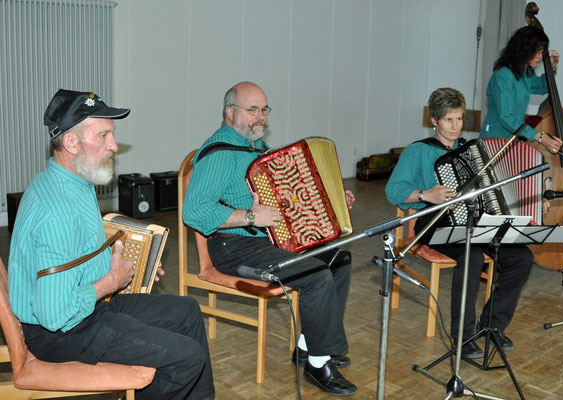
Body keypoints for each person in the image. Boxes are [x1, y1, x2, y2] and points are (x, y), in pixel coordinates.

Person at [8, 89, 215, 400]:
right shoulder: (57, 213)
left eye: (112, 134)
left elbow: (79, 253)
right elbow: (55, 315)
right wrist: (111, 281)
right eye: (103, 135)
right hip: (62, 333)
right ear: (71, 143)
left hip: (84, 309)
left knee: (187, 310)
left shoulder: (74, 182)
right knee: (186, 357)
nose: (114, 146)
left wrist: (134, 263)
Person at [183, 81, 357, 396]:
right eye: (252, 110)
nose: (261, 117)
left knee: (338, 260)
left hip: (266, 241)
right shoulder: (218, 155)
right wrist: (251, 217)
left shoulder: (256, 148)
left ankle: (308, 345)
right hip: (232, 246)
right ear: (229, 112)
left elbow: (285, 198)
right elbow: (194, 212)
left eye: (264, 110)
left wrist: (331, 199)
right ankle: (319, 365)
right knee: (314, 273)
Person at [386, 88, 534, 358]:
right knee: (472, 255)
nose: (455, 127)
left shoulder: (472, 150)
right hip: (433, 223)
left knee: (522, 257)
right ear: (434, 120)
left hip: (476, 222)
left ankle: (491, 325)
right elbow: (393, 191)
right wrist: (425, 195)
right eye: (448, 120)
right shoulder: (417, 151)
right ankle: (462, 337)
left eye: (459, 119)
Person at [481, 25, 563, 154]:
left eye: (543, 52)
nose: (541, 57)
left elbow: (542, 87)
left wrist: (551, 68)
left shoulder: (525, 73)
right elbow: (506, 117)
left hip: (511, 141)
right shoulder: (504, 75)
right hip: (494, 141)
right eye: (538, 52)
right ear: (525, 49)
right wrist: (540, 137)